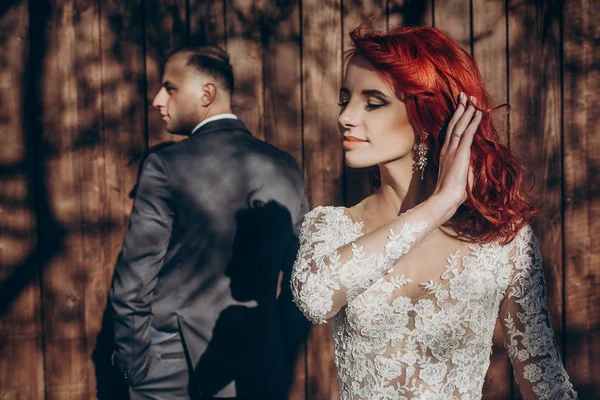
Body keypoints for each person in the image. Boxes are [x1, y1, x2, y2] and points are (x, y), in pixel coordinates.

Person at [291, 25, 577, 399]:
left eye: (372, 102)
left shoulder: (505, 241)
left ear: (424, 116)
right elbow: (313, 297)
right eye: (345, 99)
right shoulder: (331, 226)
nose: (346, 117)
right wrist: (440, 204)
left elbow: (545, 383)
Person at [110, 45, 308, 400]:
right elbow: (301, 283)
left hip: (174, 373)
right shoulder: (285, 166)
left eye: (169, 88)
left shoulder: (165, 165)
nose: (157, 100)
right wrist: (279, 353)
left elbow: (133, 282)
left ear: (207, 94)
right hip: (261, 368)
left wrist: (136, 369)